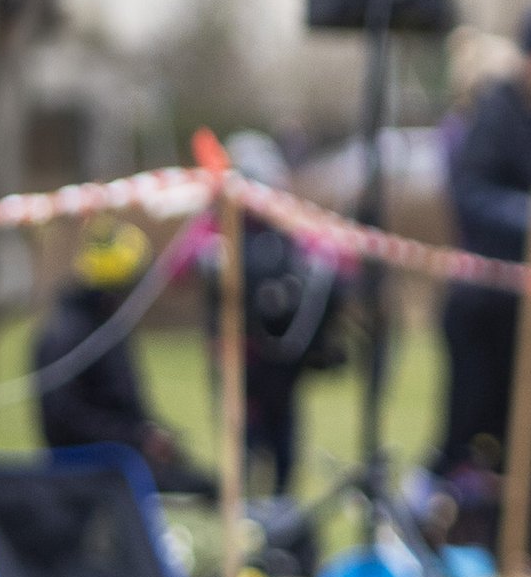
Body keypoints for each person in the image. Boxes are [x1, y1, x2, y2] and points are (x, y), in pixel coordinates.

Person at [437, 4, 531, 472]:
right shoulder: (497, 117)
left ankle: (529, 538)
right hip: (492, 304)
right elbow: (469, 193)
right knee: (475, 429)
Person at [33, 216, 216, 495]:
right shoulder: (67, 334)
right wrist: (136, 437)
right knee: (204, 489)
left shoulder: (107, 326)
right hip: (91, 466)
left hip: (124, 453)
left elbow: (123, 401)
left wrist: (151, 432)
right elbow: (64, 419)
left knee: (205, 481)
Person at [211, 133, 345, 496]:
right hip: (240, 355)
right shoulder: (220, 228)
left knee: (284, 436)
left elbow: (323, 262)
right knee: (244, 440)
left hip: (280, 363)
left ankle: (281, 504)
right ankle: (243, 506)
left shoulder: (283, 229)